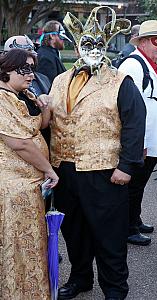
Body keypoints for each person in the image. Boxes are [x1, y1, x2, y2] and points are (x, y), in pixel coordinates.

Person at [38, 6, 146, 300]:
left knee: (109, 235)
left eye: (99, 45)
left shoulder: (120, 81)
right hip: (65, 170)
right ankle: (80, 278)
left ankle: (115, 288)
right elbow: (51, 123)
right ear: (77, 46)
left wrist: (126, 166)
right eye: (87, 44)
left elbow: (134, 125)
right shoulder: (60, 80)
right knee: (74, 232)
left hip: (104, 171)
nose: (93, 50)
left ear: (106, 47)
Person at [0, 49, 59, 299]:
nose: (31, 75)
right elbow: (20, 143)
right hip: (13, 187)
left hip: (30, 185)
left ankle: (31, 290)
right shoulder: (1, 99)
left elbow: (38, 127)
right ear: (6, 70)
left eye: (32, 68)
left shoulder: (21, 94)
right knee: (18, 246)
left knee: (31, 244)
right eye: (24, 69)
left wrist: (44, 107)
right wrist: (48, 169)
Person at [119, 20, 157, 246]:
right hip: (141, 140)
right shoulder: (133, 65)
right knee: (133, 186)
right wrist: (136, 141)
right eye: (156, 41)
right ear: (141, 42)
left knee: (139, 185)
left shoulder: (148, 63)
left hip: (150, 138)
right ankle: (128, 227)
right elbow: (127, 107)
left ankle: (135, 219)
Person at [37, 20, 71, 84]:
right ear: (52, 36)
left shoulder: (52, 53)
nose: (63, 40)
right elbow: (47, 86)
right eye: (61, 36)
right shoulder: (45, 58)